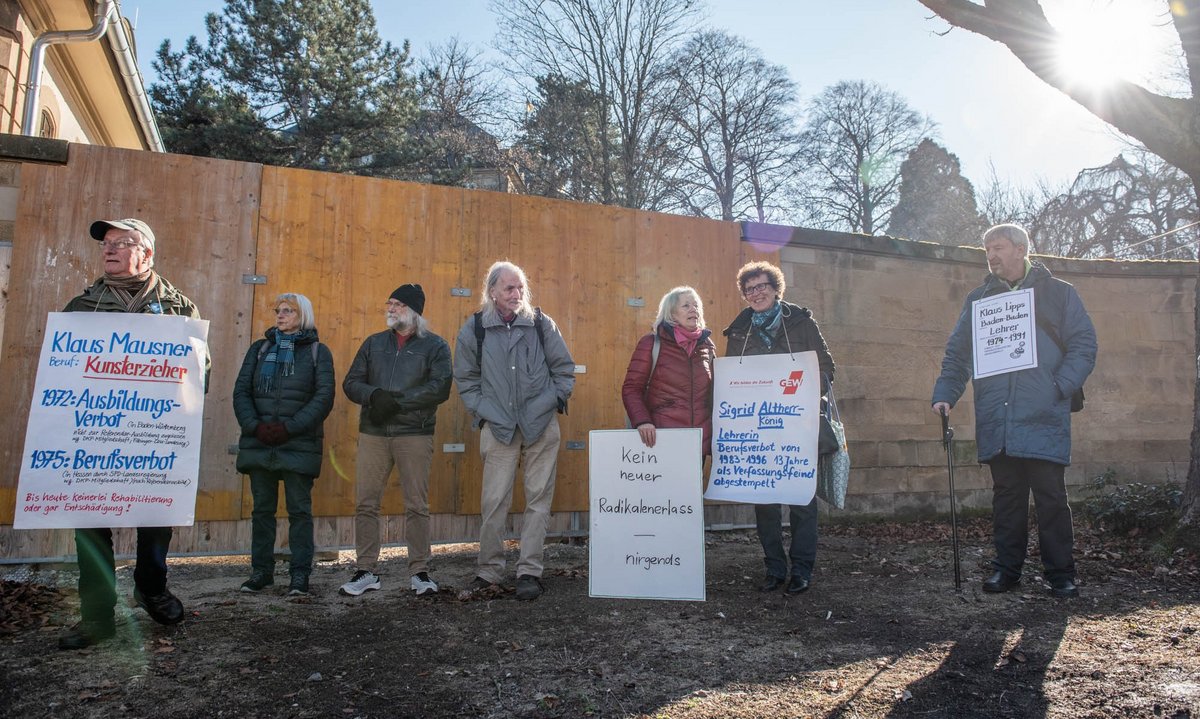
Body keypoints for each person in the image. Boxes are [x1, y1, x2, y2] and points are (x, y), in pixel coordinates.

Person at [58, 218, 205, 650]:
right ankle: (97, 616)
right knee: (90, 526)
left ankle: (151, 589)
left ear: (147, 253)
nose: (110, 249)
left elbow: (200, 373)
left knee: (157, 519)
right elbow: (62, 373)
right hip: (94, 435)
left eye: (123, 242)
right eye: (106, 243)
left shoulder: (180, 309)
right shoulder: (81, 308)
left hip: (154, 434)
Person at [932, 223, 1097, 599]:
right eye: (987, 249)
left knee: (1051, 498)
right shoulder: (978, 299)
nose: (991, 255)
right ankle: (1006, 570)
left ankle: (1061, 575)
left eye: (999, 247)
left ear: (1021, 249)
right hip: (997, 416)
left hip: (1042, 415)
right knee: (1007, 498)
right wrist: (946, 393)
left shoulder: (1058, 293)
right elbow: (958, 354)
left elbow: (1084, 345)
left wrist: (1057, 388)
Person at [452, 261, 575, 601]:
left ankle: (529, 572)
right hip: (498, 427)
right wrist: (485, 412)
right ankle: (488, 571)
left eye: (520, 287)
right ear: (491, 291)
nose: (516, 294)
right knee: (493, 501)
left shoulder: (541, 324)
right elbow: (465, 379)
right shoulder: (475, 328)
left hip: (541, 425)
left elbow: (564, 371)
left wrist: (551, 401)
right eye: (509, 288)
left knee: (538, 500)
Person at [723, 261, 835, 596]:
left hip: (798, 427)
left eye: (761, 286)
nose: (756, 293)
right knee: (765, 503)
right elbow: (731, 378)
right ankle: (774, 568)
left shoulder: (800, 322)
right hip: (758, 431)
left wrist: (808, 390)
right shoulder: (739, 330)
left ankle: (801, 570)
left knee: (803, 502)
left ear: (775, 288)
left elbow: (826, 366)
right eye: (749, 289)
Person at [340, 284, 453, 597]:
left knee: (417, 505)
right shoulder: (373, 344)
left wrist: (396, 402)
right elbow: (351, 383)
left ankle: (419, 572)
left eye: (398, 304)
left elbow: (440, 387)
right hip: (373, 433)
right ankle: (366, 571)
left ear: (414, 310)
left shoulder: (436, 346)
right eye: (388, 302)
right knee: (366, 503)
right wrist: (375, 395)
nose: (390, 308)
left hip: (413, 434)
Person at [232, 293, 335, 597]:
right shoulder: (260, 349)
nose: (280, 315)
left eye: (288, 310)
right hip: (260, 443)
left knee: (299, 512)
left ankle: (299, 575)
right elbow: (241, 392)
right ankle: (261, 572)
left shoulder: (318, 352)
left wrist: (289, 428)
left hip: (298, 445)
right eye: (278, 310)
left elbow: (323, 397)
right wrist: (255, 427)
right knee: (261, 511)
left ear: (302, 314)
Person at [621, 286, 716, 455]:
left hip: (699, 441)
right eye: (686, 306)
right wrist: (642, 421)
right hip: (661, 438)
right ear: (671, 314)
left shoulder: (707, 346)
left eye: (696, 306)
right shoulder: (651, 343)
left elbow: (715, 393)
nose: (693, 309)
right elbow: (631, 389)